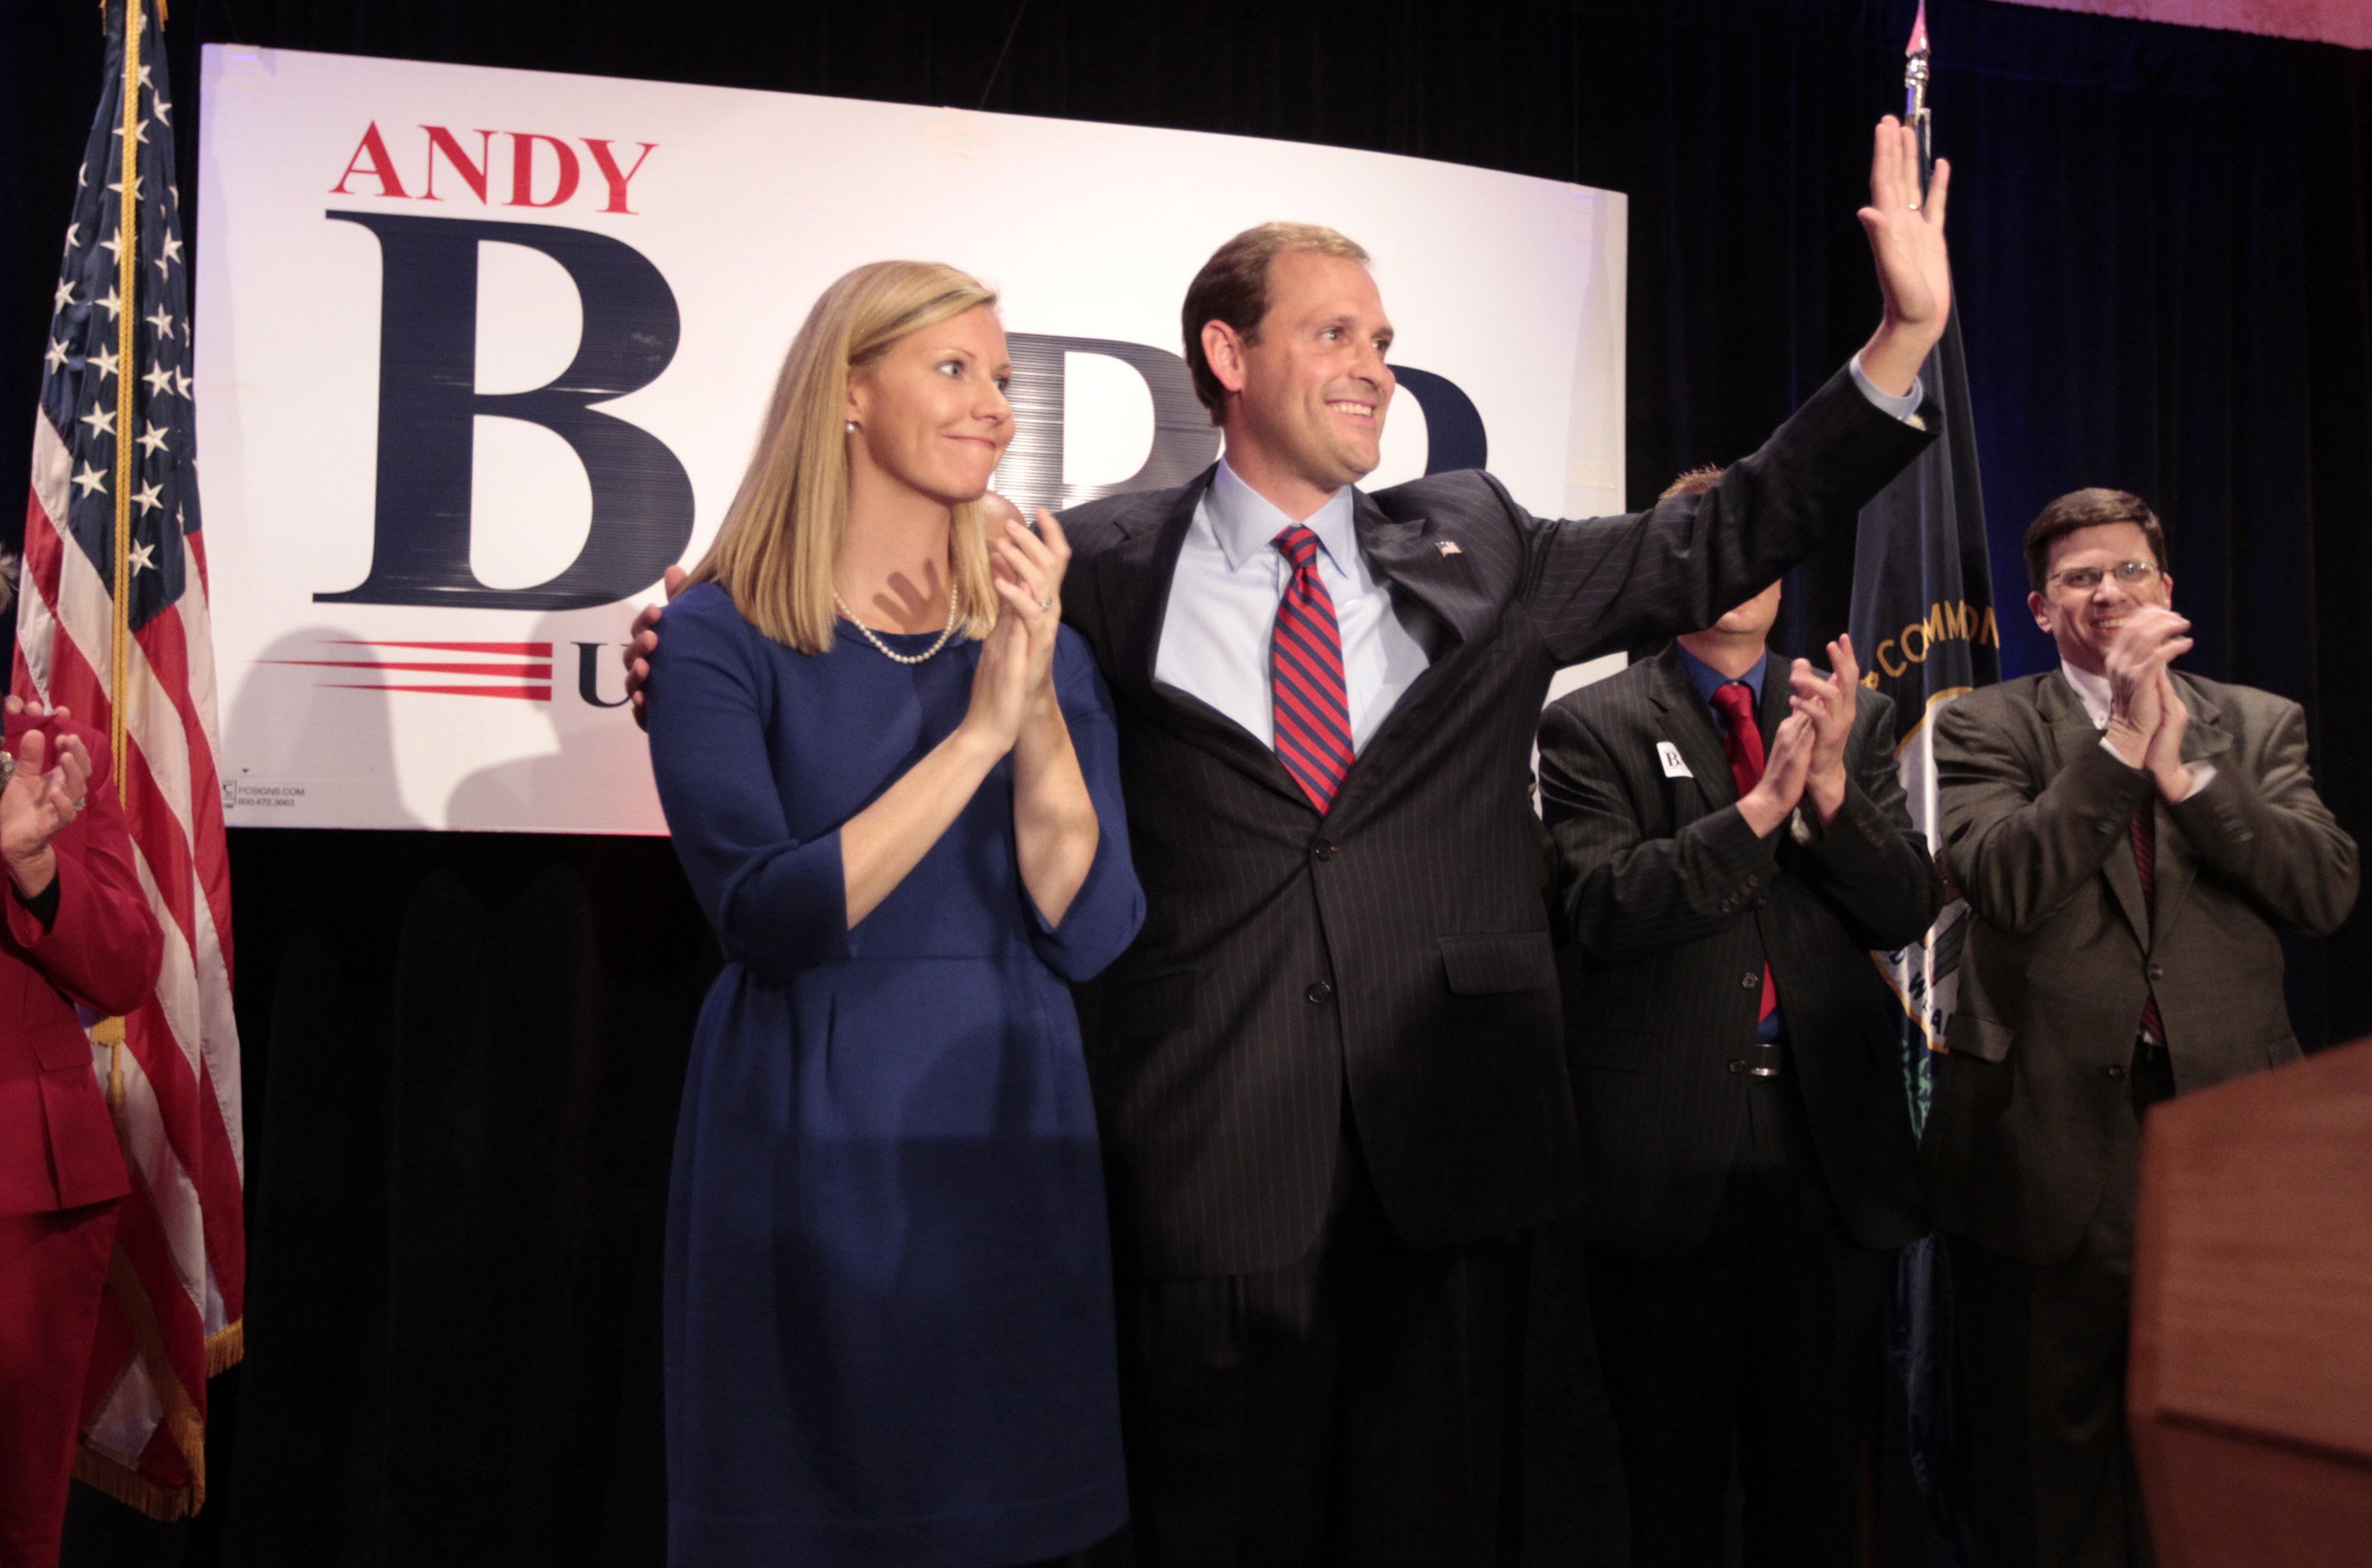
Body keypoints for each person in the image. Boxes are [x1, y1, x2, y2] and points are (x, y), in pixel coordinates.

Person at [629, 118, 1952, 1565]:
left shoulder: (1481, 545)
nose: (1375, 363)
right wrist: (685, 624)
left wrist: (1899, 342)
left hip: (1451, 1161)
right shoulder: (1098, 571)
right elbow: (882, 624)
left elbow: (1721, 533)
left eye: (1384, 337)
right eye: (1334, 332)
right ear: (1228, 355)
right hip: (1206, 1166)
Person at [643, 260, 1146, 1566]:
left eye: (1000, 377)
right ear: (849, 392)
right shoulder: (717, 633)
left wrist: (1029, 705)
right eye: (953, 369)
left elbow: (1088, 923)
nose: (994, 404)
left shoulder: (1045, 639)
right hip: (811, 1122)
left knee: (1012, 1515)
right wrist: (979, 734)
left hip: (1006, 1116)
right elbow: (767, 911)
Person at [1929, 487, 2359, 1568]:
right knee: (2049, 1474)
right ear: (2039, 606)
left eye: (2128, 571)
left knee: (2223, 1464)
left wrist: (2185, 774)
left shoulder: (2258, 724)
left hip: (2228, 1153)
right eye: (2080, 578)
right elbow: (2006, 882)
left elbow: (2324, 891)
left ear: (2169, 590)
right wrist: (2120, 743)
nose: (2107, 592)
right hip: (2050, 1148)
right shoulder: (1984, 724)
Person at [1535, 466, 1939, 1565]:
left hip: (1826, 1153)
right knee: (1666, 1489)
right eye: (1709, 539)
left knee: (1813, 1488)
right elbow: (1608, 907)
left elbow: (1906, 906)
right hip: (1664, 1157)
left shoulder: (1850, 717)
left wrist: (1832, 797)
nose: (1741, 564)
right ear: (1672, 565)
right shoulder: (1589, 726)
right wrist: (1762, 809)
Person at [0, 696, 162, 1568]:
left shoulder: (52, 754)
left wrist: (38, 872)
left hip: (20, 1196)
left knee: (16, 1525)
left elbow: (129, 965)